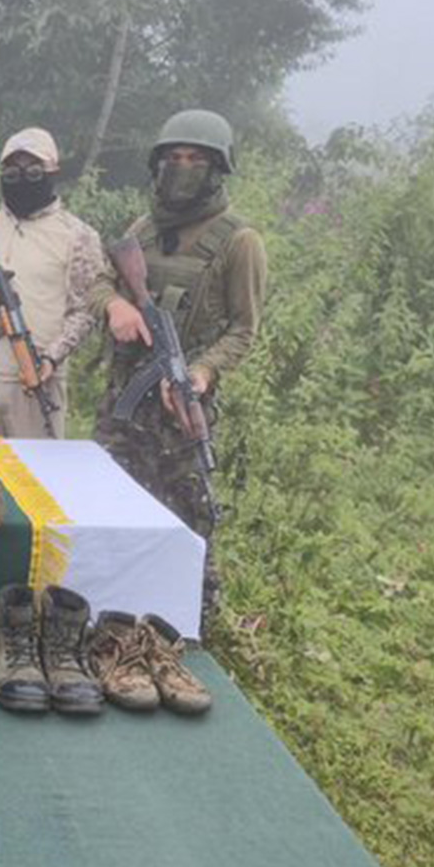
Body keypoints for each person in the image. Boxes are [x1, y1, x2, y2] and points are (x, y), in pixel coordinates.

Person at [90, 108, 267, 626]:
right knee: (109, 510)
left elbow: (244, 329)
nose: (182, 167)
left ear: (217, 169)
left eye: (195, 159)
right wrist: (115, 306)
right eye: (173, 158)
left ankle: (183, 628)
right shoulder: (142, 230)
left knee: (187, 518)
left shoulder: (239, 241)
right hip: (123, 402)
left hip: (180, 406)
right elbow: (102, 282)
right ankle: (107, 616)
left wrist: (203, 372)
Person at [0, 127, 102, 438]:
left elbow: (86, 312)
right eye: (13, 171)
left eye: (33, 170)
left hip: (37, 382)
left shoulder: (78, 235)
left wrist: (50, 358)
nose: (22, 178)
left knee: (34, 482)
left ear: (52, 172)